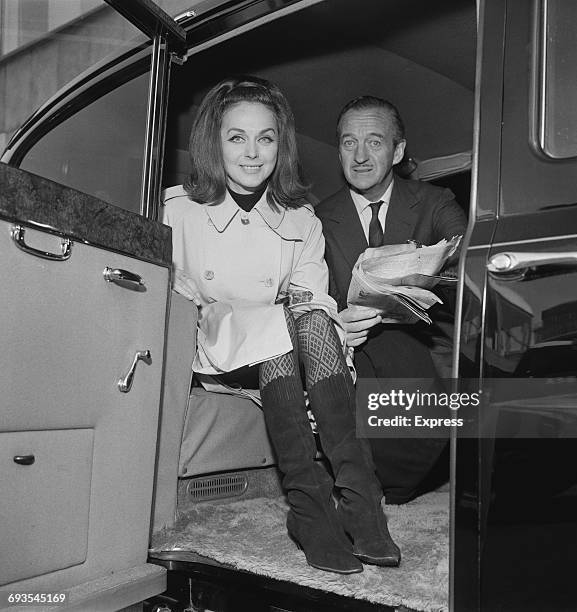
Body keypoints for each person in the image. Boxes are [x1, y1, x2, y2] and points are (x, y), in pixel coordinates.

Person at [162, 77, 399, 574]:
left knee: (308, 316)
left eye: (265, 138)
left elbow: (312, 299)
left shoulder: (301, 221)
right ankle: (316, 507)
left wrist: (322, 321)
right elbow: (174, 297)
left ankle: (355, 503)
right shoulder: (177, 210)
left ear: (280, 144)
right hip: (217, 345)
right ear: (214, 141)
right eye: (237, 137)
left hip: (289, 348)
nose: (252, 153)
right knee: (279, 324)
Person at [315, 96, 468, 504]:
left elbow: (472, 270)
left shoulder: (436, 202)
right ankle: (386, 483)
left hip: (425, 341)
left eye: (374, 142)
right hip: (356, 346)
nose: (360, 156)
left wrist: (424, 278)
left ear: (398, 151)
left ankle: (397, 478)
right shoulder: (316, 219)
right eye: (349, 143)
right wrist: (337, 320)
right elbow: (307, 295)